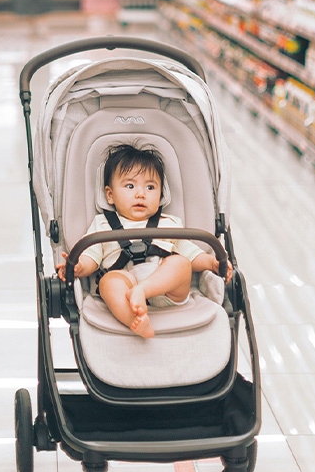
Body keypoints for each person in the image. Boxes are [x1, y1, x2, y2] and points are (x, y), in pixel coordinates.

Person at [57, 144, 231, 339]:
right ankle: (136, 320)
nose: (141, 194)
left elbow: (191, 253)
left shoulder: (170, 223)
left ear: (161, 195)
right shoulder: (102, 224)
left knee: (180, 263)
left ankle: (142, 291)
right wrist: (78, 267)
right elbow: (92, 255)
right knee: (108, 282)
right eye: (130, 186)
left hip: (166, 291)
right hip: (125, 282)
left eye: (150, 187)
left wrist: (212, 263)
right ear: (110, 195)